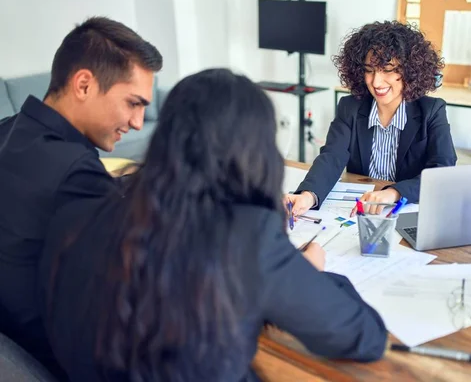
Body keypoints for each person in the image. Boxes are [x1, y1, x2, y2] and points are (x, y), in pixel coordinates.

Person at [39, 69, 388, 381]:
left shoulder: (96, 205)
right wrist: (309, 273)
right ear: (256, 151)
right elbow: (364, 337)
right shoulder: (250, 238)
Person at [0, 16, 162, 377]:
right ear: (84, 84)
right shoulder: (76, 173)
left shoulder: (10, 131)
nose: (138, 122)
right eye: (132, 103)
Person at [287, 20, 457, 216]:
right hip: (360, 211)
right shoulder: (350, 107)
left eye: (387, 69)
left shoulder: (432, 111)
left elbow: (442, 170)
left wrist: (394, 192)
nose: (376, 81)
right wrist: (307, 196)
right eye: (369, 70)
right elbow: (332, 157)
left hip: (406, 211)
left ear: (409, 70)